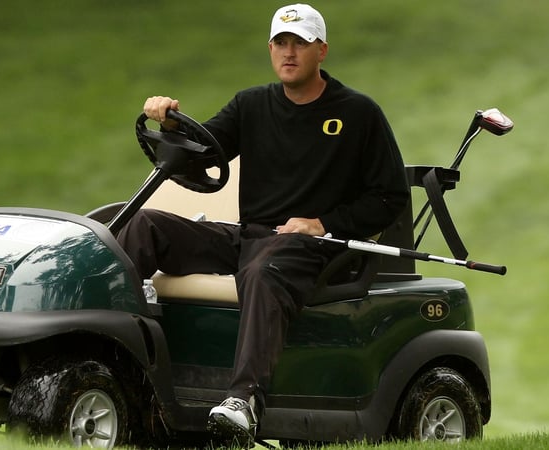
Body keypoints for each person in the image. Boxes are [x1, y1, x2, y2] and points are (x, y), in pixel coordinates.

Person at [117, 3, 410, 442]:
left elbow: (389, 197)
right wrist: (171, 123)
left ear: (322, 50)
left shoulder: (358, 113)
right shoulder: (251, 104)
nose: (289, 53)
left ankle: (244, 399)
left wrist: (323, 222)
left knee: (264, 267)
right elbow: (202, 150)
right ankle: (102, 341)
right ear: (271, 49)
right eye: (281, 43)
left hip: (310, 248)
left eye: (300, 44)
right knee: (146, 226)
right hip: (249, 236)